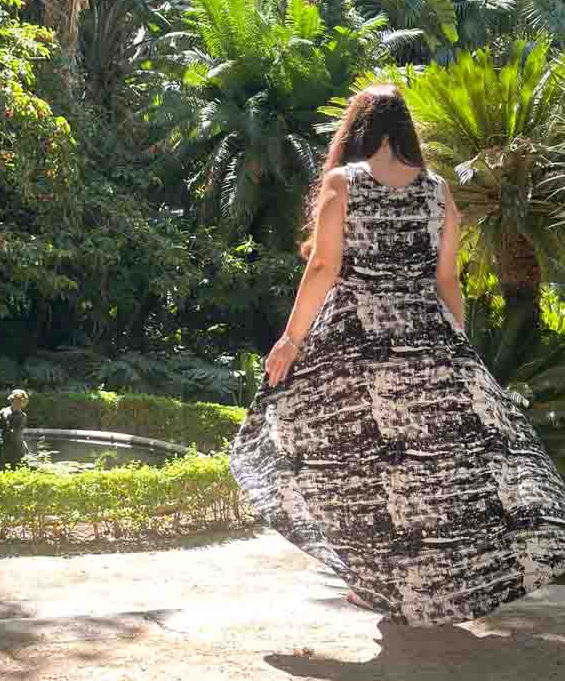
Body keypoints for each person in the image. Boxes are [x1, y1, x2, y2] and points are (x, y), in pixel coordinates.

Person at [230, 83, 565, 625]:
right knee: (419, 472)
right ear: (405, 130)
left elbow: (323, 269)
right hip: (425, 338)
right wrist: (450, 345)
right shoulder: (436, 191)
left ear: (357, 130)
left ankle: (377, 580)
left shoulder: (344, 183)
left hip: (353, 342)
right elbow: (447, 280)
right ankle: (400, 585)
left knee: (345, 457)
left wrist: (291, 338)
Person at [0, 388, 30, 469]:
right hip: (6, 443)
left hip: (12, 444)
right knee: (4, 467)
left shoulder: (22, 416)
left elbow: (17, 432)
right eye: (18, 401)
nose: (20, 404)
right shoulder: (4, 411)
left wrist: (23, 445)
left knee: (15, 466)